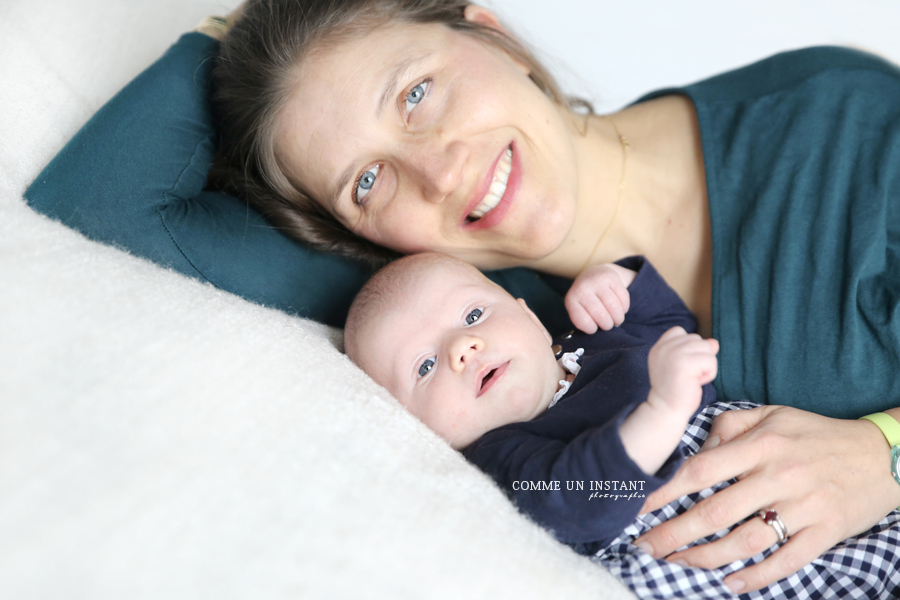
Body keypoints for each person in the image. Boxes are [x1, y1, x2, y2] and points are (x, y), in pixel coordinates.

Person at [26, 0, 900, 593]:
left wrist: (883, 456)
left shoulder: (832, 124)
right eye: (367, 179)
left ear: (490, 34)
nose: (440, 170)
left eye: (415, 92)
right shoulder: (460, 322)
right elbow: (102, 204)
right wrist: (247, 43)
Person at [343, 251, 900, 599]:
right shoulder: (501, 453)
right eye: (423, 365)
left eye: (472, 316)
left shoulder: (592, 340)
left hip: (786, 476)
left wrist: (618, 282)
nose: (463, 347)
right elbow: (574, 501)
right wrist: (661, 411)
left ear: (531, 315)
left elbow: (669, 322)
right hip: (682, 552)